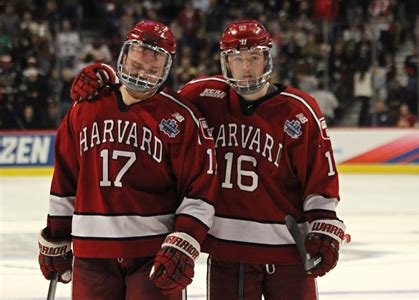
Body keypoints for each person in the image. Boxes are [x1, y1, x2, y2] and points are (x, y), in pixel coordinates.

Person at [71, 19, 345, 300]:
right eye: (238, 59)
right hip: (228, 250)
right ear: (226, 62)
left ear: (268, 59)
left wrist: (323, 221)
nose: (247, 67)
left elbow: (319, 175)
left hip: (288, 250)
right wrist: (107, 79)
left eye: (254, 58)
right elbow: (147, 100)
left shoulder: (299, 110)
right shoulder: (202, 95)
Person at [38, 20, 218, 299]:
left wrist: (184, 240)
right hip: (92, 254)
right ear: (123, 55)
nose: (142, 72)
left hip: (153, 253)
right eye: (137, 62)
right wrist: (57, 234)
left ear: (166, 68)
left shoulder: (181, 117)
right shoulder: (85, 108)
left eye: (152, 65)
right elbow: (65, 180)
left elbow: (200, 188)